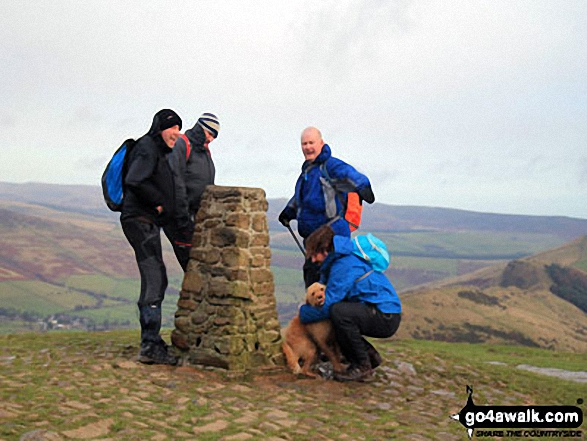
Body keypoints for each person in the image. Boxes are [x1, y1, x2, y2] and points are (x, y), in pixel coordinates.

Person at [299, 225, 402, 382]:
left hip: (385, 316)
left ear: (326, 249)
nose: (313, 260)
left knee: (339, 312)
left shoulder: (344, 265)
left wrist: (303, 313)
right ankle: (369, 356)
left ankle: (362, 366)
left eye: (314, 254)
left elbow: (328, 304)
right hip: (383, 312)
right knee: (340, 313)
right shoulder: (337, 262)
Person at [120, 108, 182, 365]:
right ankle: (149, 345)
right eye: (173, 129)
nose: (176, 134)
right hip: (140, 221)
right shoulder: (147, 148)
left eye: (179, 130)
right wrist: (157, 202)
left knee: (156, 277)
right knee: (155, 278)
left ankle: (151, 342)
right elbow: (136, 180)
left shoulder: (155, 150)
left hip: (145, 222)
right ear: (160, 128)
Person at [278, 127, 375, 287]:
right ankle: (317, 311)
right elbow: (303, 198)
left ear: (321, 143)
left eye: (311, 143)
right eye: (304, 144)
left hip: (332, 238)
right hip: (312, 242)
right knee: (314, 285)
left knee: (333, 282)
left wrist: (364, 186)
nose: (308, 147)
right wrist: (289, 212)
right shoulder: (307, 173)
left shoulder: (330, 166)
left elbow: (350, 174)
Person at [164, 113, 219, 271]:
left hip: (196, 216)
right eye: (209, 133)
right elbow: (176, 181)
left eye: (214, 136)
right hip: (180, 217)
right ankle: (193, 294)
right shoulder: (182, 144)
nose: (211, 139)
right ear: (201, 129)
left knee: (199, 264)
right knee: (192, 266)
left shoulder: (204, 152)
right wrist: (183, 218)